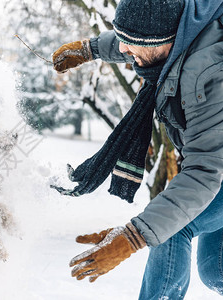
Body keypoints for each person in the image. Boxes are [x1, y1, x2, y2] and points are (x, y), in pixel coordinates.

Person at [51, 0, 223, 298]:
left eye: (130, 47)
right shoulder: (179, 31)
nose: (124, 54)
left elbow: (203, 172)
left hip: (214, 170)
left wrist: (132, 237)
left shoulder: (207, 75)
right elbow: (132, 41)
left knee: (170, 232)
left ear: (162, 41)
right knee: (216, 271)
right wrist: (89, 49)